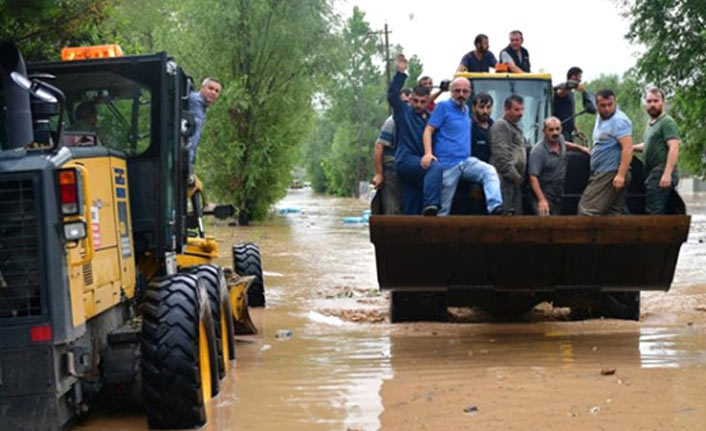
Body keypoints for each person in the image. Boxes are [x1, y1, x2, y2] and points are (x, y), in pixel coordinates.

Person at [422, 77, 503, 216]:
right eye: (457, 91)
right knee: (443, 210)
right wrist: (428, 153)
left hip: (466, 162)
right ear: (451, 92)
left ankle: (495, 206)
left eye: (465, 91)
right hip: (447, 164)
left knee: (489, 171)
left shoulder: (465, 110)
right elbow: (428, 130)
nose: (461, 94)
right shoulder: (443, 107)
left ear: (470, 93)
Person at [388, 54, 442, 214]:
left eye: (422, 102)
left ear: (428, 101)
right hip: (406, 161)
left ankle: (412, 234)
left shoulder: (431, 120)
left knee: (412, 204)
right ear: (410, 100)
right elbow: (392, 95)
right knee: (435, 167)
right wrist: (400, 73)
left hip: (420, 167)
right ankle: (432, 205)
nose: (418, 105)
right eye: (415, 101)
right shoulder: (403, 112)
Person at [578, 89, 633, 216]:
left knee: (586, 210)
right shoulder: (601, 118)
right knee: (612, 213)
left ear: (615, 103)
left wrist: (620, 175)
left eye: (610, 105)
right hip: (603, 171)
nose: (607, 109)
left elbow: (628, 147)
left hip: (610, 173)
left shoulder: (619, 120)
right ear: (596, 105)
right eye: (603, 106)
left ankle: (583, 236)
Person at [528, 117, 591, 215]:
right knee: (544, 220)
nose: (555, 133)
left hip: (558, 190)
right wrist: (542, 200)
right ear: (544, 131)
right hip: (543, 190)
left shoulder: (560, 139)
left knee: (557, 219)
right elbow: (533, 178)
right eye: (551, 130)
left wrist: (581, 148)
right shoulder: (537, 152)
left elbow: (565, 144)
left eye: (557, 129)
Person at [632, 87, 680, 214]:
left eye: (655, 101)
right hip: (652, 173)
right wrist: (629, 148)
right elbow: (648, 146)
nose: (652, 104)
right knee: (653, 208)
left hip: (661, 171)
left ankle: (658, 234)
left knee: (654, 211)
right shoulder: (651, 123)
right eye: (649, 101)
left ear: (663, 102)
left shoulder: (667, 122)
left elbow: (674, 147)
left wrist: (667, 174)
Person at [371, 89, 411, 214]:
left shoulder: (414, 121)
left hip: (408, 167)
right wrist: (379, 174)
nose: (407, 105)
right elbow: (379, 147)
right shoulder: (392, 122)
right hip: (391, 168)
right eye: (404, 102)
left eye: (409, 102)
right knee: (392, 206)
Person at [490, 95, 527, 214]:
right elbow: (501, 157)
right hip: (505, 181)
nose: (520, 113)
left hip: (514, 182)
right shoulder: (501, 125)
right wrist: (515, 177)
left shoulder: (516, 128)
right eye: (516, 109)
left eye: (522, 109)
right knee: (506, 218)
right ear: (506, 109)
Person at [187, 77, 222, 166]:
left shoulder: (202, 107)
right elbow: (192, 137)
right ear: (202, 88)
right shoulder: (196, 102)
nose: (213, 92)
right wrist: (188, 164)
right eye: (210, 88)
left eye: (217, 91)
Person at [553, 67, 585, 142]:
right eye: (579, 77)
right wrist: (574, 85)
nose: (580, 80)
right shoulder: (562, 88)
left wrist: (577, 130)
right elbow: (560, 94)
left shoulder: (571, 94)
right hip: (560, 131)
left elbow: (570, 115)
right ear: (573, 76)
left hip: (569, 132)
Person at [471, 92, 494, 163]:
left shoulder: (495, 128)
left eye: (488, 107)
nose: (485, 111)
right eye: (481, 107)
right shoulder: (468, 128)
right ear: (474, 108)